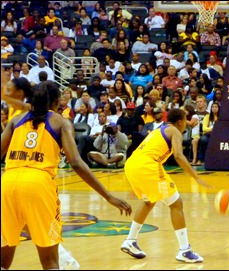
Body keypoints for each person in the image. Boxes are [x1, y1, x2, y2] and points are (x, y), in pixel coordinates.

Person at [1, 80, 132, 270]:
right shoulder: (60, 122)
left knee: (4, 256)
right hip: (38, 184)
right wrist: (108, 195)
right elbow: (77, 163)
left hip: (8, 183)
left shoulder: (16, 120)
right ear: (56, 102)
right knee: (50, 261)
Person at [121, 108, 212, 263]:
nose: (187, 123)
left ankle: (130, 241)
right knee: (176, 203)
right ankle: (184, 250)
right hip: (147, 166)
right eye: (186, 120)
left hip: (131, 165)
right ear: (180, 121)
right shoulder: (175, 131)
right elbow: (178, 155)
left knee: (149, 202)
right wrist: (195, 176)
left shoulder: (159, 129)